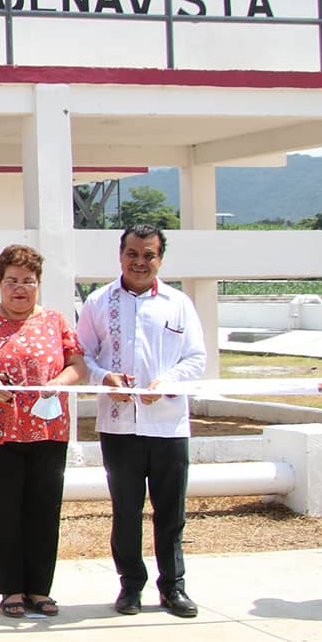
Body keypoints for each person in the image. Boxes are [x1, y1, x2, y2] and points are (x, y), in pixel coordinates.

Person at [0, 244, 84, 619]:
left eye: (28, 281)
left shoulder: (55, 321)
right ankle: (11, 589)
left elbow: (78, 364)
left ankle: (40, 589)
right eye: (12, 281)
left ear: (39, 283)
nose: (19, 289)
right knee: (3, 511)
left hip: (47, 431)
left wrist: (59, 381)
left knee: (43, 509)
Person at [76, 222, 207, 619]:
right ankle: (130, 585)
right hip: (119, 426)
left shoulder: (178, 303)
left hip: (167, 424)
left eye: (148, 255)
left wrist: (167, 383)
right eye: (133, 253)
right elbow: (81, 356)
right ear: (120, 255)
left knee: (171, 511)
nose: (139, 262)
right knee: (126, 511)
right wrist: (105, 378)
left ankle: (173, 587)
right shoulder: (99, 302)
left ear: (160, 259)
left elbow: (197, 358)